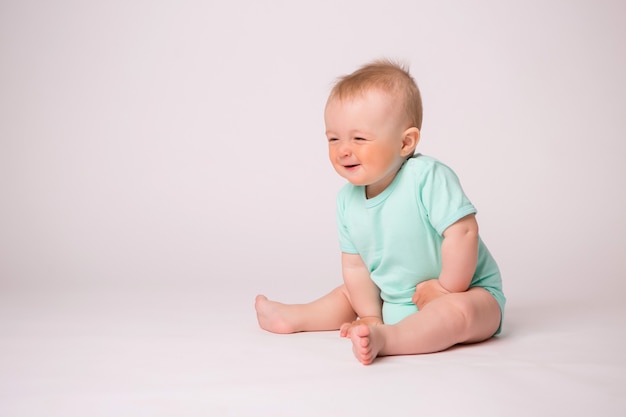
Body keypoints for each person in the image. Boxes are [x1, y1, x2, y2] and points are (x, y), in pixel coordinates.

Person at [255, 59, 505, 365]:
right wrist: (371, 314)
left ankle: (389, 339)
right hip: (394, 297)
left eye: (359, 138)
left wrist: (447, 288)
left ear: (405, 142)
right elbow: (357, 266)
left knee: (457, 314)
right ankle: (297, 317)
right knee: (351, 293)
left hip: (467, 292)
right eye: (333, 138)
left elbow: (463, 232)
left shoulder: (426, 177)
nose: (343, 149)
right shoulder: (347, 201)